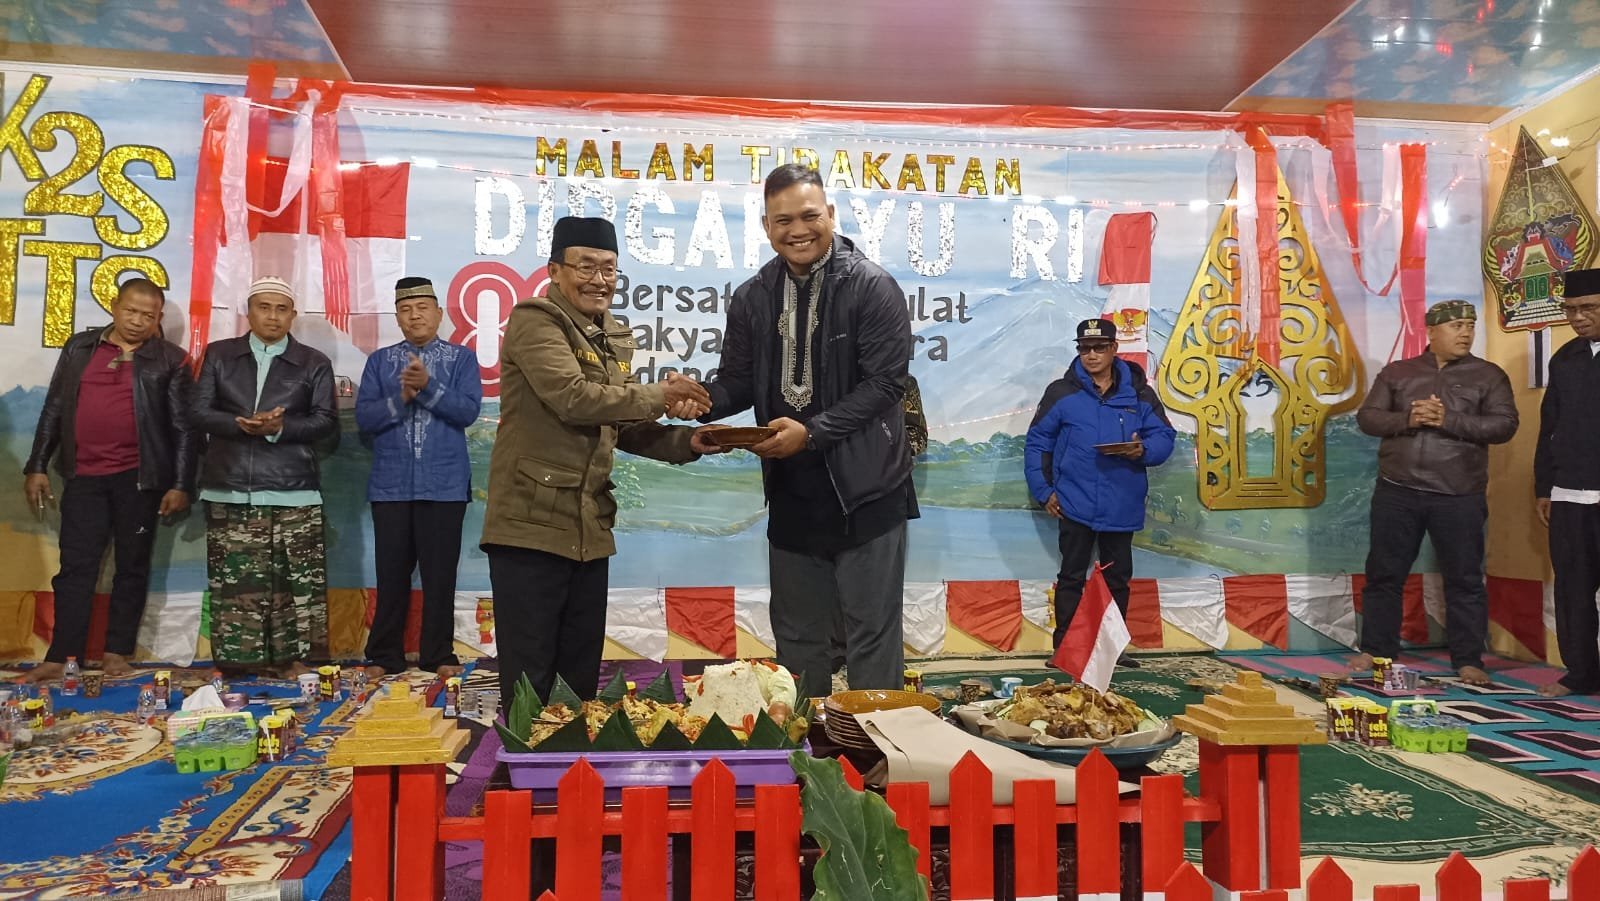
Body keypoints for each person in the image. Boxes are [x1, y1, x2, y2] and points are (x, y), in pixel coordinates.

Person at [700, 163, 919, 703]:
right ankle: (803, 748)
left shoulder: (872, 287)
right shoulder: (753, 296)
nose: (797, 230)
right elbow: (737, 380)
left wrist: (813, 432)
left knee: (871, 636)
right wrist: (702, 400)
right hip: (792, 491)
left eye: (809, 216)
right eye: (783, 221)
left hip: (868, 490)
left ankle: (874, 746)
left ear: (831, 215)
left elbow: (886, 384)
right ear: (766, 226)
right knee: (797, 640)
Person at [481, 216, 716, 705]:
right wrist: (661, 395)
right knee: (530, 680)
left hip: (589, 528)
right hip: (530, 526)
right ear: (555, 271)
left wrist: (690, 442)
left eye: (609, 269)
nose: (599, 280)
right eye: (585, 266)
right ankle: (525, 754)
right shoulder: (535, 319)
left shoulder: (613, 334)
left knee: (579, 679)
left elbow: (622, 423)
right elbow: (575, 399)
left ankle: (573, 754)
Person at [21, 278, 196, 682]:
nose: (137, 321)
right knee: (75, 568)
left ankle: (117, 652)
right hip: (84, 477)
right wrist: (37, 465)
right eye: (130, 311)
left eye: (148, 315)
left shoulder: (171, 360)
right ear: (114, 307)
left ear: (158, 319)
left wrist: (181, 484)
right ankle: (62, 656)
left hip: (140, 480)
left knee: (131, 567)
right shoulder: (79, 348)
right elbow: (54, 408)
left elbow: (184, 428)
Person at [1350, 300, 1517, 686]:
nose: (1466, 333)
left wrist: (1447, 419)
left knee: (1465, 579)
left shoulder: (1488, 375)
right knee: (1384, 574)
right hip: (1398, 491)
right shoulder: (1399, 372)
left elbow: (1505, 425)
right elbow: (1368, 418)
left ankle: (1468, 659)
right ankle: (1377, 651)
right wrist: (1409, 418)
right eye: (1457, 325)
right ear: (1432, 331)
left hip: (1459, 494)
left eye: (1470, 325)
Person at [191, 276, 338, 679]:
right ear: (249, 311)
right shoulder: (220, 355)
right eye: (264, 307)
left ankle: (294, 660)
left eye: (281, 309)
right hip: (229, 487)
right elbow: (197, 412)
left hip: (293, 489)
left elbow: (325, 421)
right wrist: (239, 423)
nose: (273, 316)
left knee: (293, 582)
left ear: (293, 315)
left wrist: (278, 428)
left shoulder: (313, 362)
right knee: (235, 582)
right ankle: (237, 662)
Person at [1024, 317, 1174, 668]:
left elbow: (1164, 437)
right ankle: (1065, 650)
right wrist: (1044, 492)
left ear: (1114, 349)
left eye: (1099, 348)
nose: (1091, 355)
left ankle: (1112, 650)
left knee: (1116, 579)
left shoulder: (1138, 392)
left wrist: (1143, 450)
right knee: (1071, 577)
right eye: (1084, 348)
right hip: (1073, 502)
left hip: (1122, 502)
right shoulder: (1061, 393)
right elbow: (1037, 444)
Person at [356, 277, 483, 680]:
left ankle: (438, 654)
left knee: (439, 577)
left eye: (423, 308)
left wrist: (428, 387)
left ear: (439, 314)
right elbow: (366, 419)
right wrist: (402, 398)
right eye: (406, 310)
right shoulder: (380, 362)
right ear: (397, 318)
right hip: (390, 486)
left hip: (445, 486)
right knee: (391, 576)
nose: (415, 316)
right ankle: (383, 655)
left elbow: (467, 411)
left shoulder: (462, 359)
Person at [1535, 268, 1600, 697]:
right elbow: (1549, 426)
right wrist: (1543, 487)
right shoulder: (1565, 358)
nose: (1578, 317)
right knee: (1573, 589)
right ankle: (1581, 674)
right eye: (1571, 309)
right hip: (1569, 494)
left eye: (1588, 308)